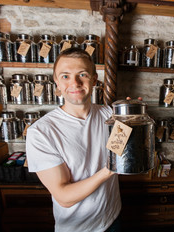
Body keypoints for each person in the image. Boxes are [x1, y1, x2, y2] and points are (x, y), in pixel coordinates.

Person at [26, 48, 121, 232]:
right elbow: (64, 197)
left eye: (82, 74)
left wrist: (132, 115)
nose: (75, 83)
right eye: (65, 76)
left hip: (113, 216)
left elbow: (123, 148)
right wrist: (110, 170)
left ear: (94, 80)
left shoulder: (109, 115)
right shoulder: (41, 132)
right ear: (56, 83)